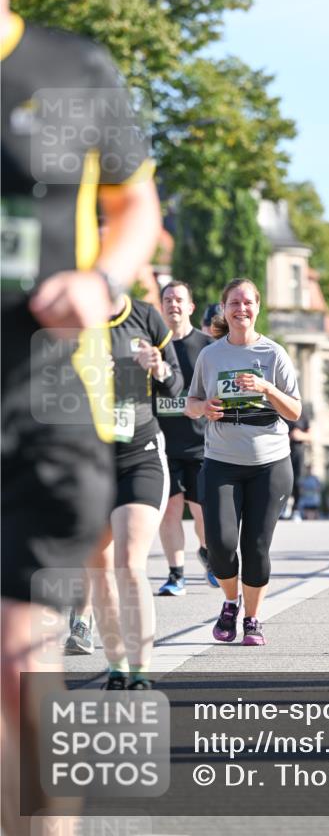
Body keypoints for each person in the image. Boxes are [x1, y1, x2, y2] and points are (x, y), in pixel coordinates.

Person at [1, 0, 161, 835]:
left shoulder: (68, 71)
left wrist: (101, 285)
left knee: (22, 658)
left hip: (43, 401)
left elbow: (135, 203)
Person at [185, 278, 301, 646]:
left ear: (258, 307)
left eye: (248, 302)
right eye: (234, 302)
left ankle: (252, 619)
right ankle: (230, 602)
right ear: (224, 309)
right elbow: (191, 403)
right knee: (219, 544)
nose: (241, 309)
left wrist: (267, 388)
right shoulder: (211, 355)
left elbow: (295, 411)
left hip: (270, 462)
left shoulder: (273, 354)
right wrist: (204, 408)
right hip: (221, 459)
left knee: (255, 547)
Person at [87, 295, 183, 689]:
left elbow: (177, 383)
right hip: (90, 462)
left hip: (139, 454)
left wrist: (159, 368)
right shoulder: (76, 317)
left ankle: (141, 671)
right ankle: (117, 667)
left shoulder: (146, 317)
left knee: (129, 563)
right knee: (100, 572)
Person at [157, 280, 215, 594]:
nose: (173, 305)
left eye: (179, 299)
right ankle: (176, 574)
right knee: (170, 509)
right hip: (163, 443)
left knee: (202, 510)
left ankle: (207, 551)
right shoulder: (152, 347)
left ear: (191, 307)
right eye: (167, 300)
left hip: (200, 444)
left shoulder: (207, 346)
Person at [288, 411, 311, 516]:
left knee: (297, 481)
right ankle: (284, 508)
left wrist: (300, 435)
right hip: (284, 451)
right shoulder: (281, 413)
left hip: (299, 454)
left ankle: (296, 509)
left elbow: (310, 436)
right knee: (284, 480)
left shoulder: (303, 416)